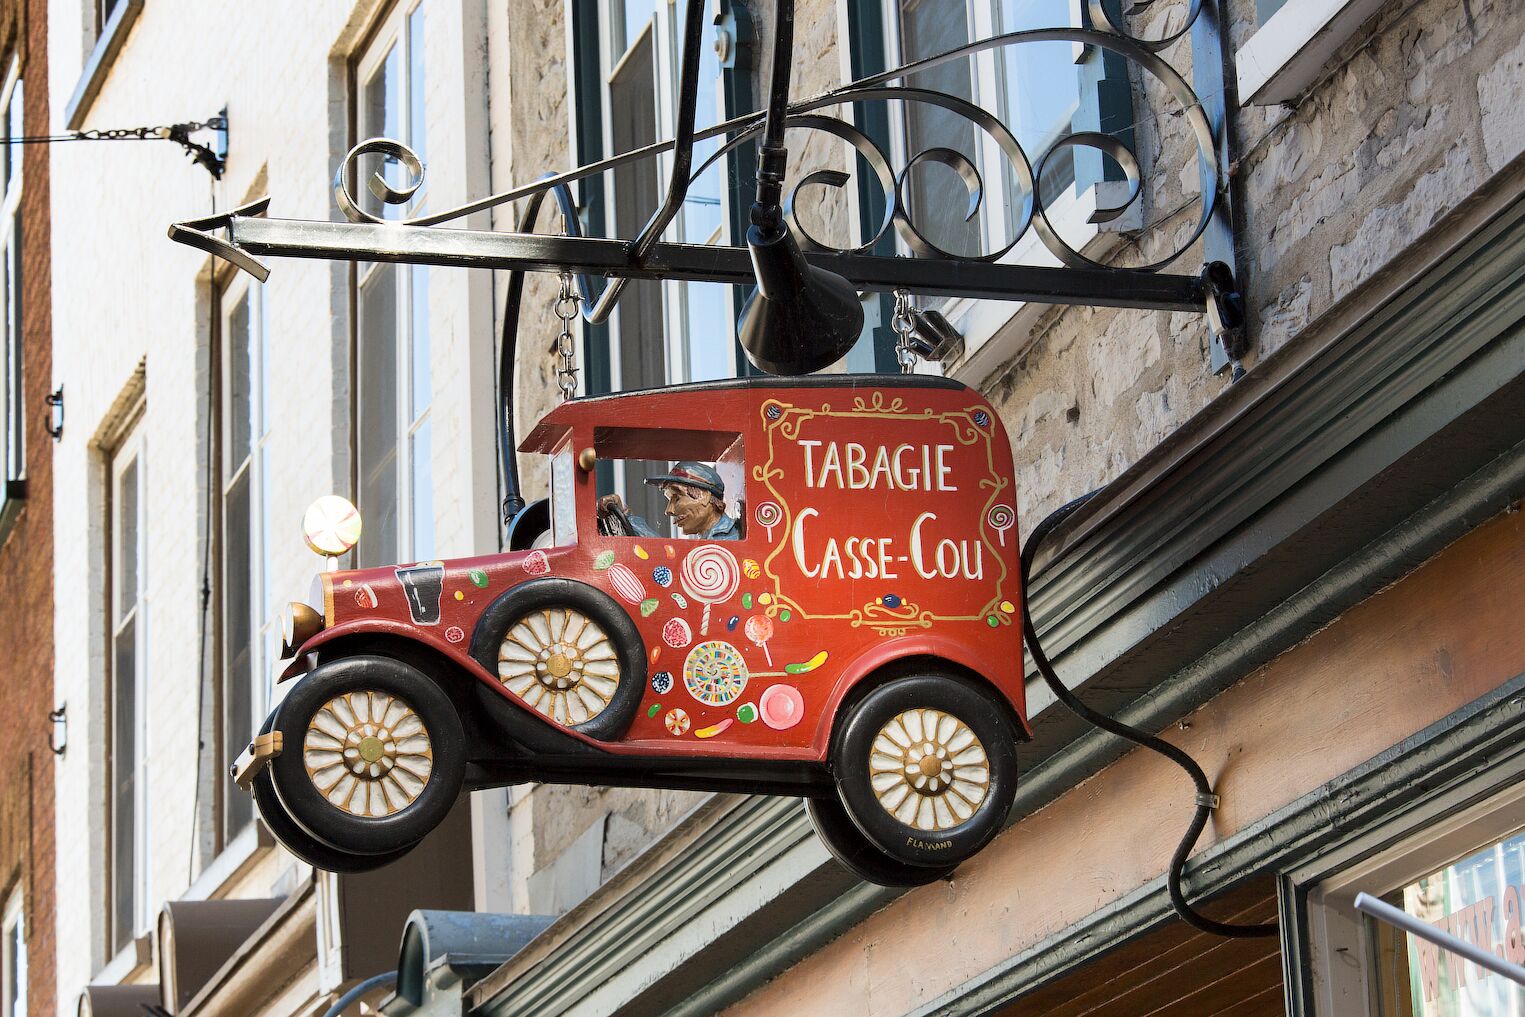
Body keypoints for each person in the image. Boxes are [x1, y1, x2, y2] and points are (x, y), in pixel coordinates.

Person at [598, 461, 741, 540]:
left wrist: (627, 518)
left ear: (704, 496)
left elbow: (670, 561)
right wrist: (624, 516)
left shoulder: (727, 540)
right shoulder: (710, 539)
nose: (669, 510)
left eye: (677, 498)